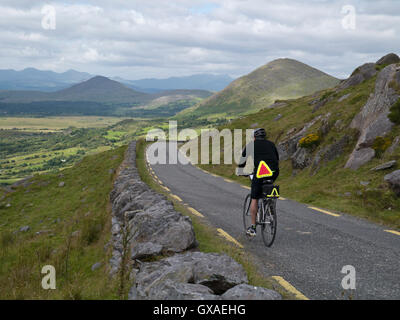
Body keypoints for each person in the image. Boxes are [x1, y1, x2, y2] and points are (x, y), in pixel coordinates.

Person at [236, 128, 279, 237]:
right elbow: (277, 159)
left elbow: (242, 161)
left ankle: (253, 228)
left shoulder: (251, 145)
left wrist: (241, 171)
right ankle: (270, 206)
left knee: (254, 197)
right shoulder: (271, 144)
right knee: (268, 187)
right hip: (273, 172)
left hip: (260, 173)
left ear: (254, 137)